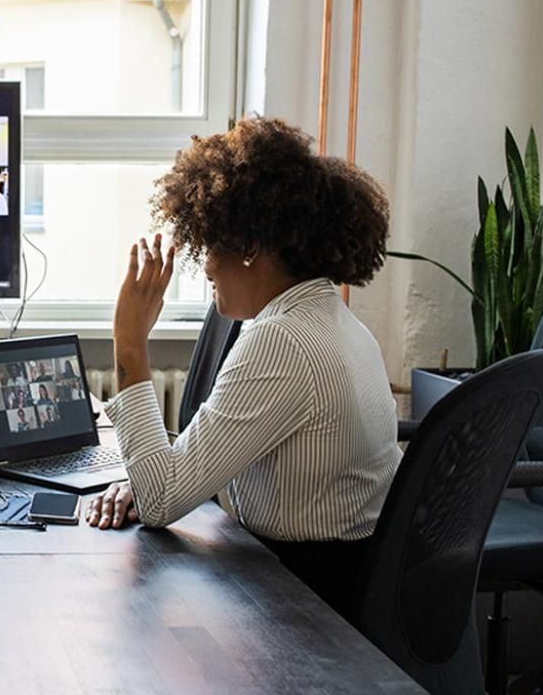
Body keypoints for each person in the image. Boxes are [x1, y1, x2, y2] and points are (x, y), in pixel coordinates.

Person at [84, 116, 399, 618]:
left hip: (301, 602)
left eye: (210, 245)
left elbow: (163, 499)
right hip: (324, 576)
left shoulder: (282, 341)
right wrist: (149, 478)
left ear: (249, 247)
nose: (205, 266)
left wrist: (129, 344)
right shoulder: (328, 317)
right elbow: (182, 477)